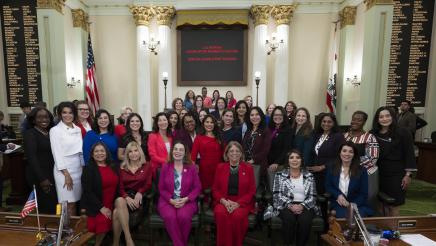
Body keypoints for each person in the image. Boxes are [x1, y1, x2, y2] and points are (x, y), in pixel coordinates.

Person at [371, 106, 416, 216]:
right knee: (380, 204)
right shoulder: (373, 134)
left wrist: (408, 175)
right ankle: (382, 231)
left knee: (393, 205)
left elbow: (409, 154)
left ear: (393, 117)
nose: (384, 119)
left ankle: (395, 232)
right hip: (378, 174)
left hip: (396, 175)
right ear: (377, 119)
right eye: (381, 117)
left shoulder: (403, 132)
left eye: (387, 116)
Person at [271, 150, 319, 246]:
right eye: (291, 157)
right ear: (288, 161)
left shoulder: (309, 176)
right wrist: (290, 205)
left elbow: (313, 196)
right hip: (285, 204)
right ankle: (288, 243)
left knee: (305, 220)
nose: (295, 160)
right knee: (289, 219)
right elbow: (277, 195)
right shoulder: (279, 175)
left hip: (305, 204)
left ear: (301, 160)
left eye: (297, 157)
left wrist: (302, 205)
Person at [212, 141, 256, 246]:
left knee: (237, 216)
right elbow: (215, 189)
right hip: (223, 200)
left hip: (242, 202)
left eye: (237, 151)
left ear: (241, 154)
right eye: (231, 151)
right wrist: (223, 201)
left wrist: (238, 204)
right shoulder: (220, 167)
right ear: (227, 154)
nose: (234, 153)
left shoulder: (248, 168)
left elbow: (252, 190)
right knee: (221, 213)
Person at [158, 142, 201, 246]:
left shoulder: (192, 168)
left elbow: (197, 188)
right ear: (172, 151)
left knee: (183, 216)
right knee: (170, 216)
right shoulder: (165, 167)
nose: (178, 152)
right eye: (175, 149)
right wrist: (171, 200)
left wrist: (186, 199)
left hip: (187, 201)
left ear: (185, 153)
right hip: (167, 201)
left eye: (181, 149)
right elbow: (161, 188)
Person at [113, 141, 152, 246]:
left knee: (116, 212)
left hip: (138, 199)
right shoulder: (121, 168)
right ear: (127, 154)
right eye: (130, 151)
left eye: (136, 151)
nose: (133, 153)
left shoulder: (147, 165)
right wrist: (126, 197)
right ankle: (128, 239)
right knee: (119, 200)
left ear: (140, 152)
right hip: (124, 197)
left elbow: (148, 184)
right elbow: (120, 188)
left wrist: (140, 192)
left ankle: (115, 243)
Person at [50, 101, 84, 216]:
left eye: (70, 112)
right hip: (63, 170)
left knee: (75, 202)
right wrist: (66, 174)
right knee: (68, 203)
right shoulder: (55, 130)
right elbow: (57, 154)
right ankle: (65, 230)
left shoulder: (78, 129)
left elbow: (80, 151)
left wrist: (83, 167)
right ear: (60, 114)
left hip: (78, 169)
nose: (68, 115)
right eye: (64, 112)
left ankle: (72, 229)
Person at [81, 142, 119, 246]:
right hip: (95, 205)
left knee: (106, 221)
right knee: (101, 222)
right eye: (96, 151)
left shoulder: (113, 166)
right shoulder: (88, 169)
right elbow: (87, 192)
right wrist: (101, 207)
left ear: (106, 153)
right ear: (92, 154)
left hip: (111, 204)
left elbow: (119, 186)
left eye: (102, 151)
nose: (99, 153)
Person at [23, 107, 58, 214]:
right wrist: (42, 179)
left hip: (51, 173)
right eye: (40, 117)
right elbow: (32, 158)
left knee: (53, 204)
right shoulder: (30, 134)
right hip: (39, 176)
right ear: (33, 120)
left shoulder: (50, 132)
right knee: (46, 207)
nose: (44, 119)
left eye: (46, 117)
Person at [325, 142, 373, 218]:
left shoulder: (362, 170)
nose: (347, 154)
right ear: (339, 153)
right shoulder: (331, 168)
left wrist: (351, 205)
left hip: (357, 204)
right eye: (344, 151)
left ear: (354, 155)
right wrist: (338, 195)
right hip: (338, 203)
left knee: (357, 217)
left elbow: (363, 193)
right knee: (342, 216)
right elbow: (328, 186)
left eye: (351, 152)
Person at [344, 111, 379, 209]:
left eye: (359, 120)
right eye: (354, 119)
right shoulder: (345, 136)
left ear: (364, 122)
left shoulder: (369, 137)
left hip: (361, 175)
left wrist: (352, 167)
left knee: (359, 204)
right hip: (344, 174)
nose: (355, 122)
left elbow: (372, 159)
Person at [309, 112, 345, 195]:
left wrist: (323, 166)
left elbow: (340, 157)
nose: (326, 124)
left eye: (329, 122)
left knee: (325, 197)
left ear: (333, 123)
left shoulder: (338, 136)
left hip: (329, 172)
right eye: (324, 121)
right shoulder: (318, 134)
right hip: (316, 172)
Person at [191, 115, 224, 191]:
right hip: (204, 170)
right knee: (206, 191)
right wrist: (192, 172)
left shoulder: (219, 136)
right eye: (207, 122)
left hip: (218, 168)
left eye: (211, 122)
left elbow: (224, 154)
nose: (209, 124)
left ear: (214, 124)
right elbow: (193, 156)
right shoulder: (198, 138)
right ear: (203, 123)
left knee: (218, 190)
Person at [242, 107, 271, 187]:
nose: (254, 117)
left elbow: (266, 150)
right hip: (246, 165)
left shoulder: (266, 130)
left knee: (256, 188)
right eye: (252, 115)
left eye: (257, 114)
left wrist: (253, 160)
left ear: (261, 116)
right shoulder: (248, 130)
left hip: (259, 166)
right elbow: (244, 146)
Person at [267, 106, 293, 189]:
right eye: (275, 115)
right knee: (270, 188)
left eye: (280, 115)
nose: (277, 117)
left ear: (284, 116)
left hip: (280, 165)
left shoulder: (288, 130)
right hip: (268, 163)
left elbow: (287, 149)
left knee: (279, 189)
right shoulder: (269, 128)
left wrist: (276, 163)